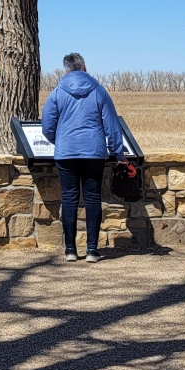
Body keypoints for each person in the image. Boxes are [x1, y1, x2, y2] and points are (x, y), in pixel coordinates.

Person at [40, 52, 124, 263]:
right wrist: (119, 153)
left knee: (69, 198)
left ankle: (70, 250)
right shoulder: (99, 91)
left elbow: (47, 126)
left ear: (66, 70)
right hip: (94, 153)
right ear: (85, 68)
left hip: (66, 153)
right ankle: (92, 250)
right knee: (93, 198)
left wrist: (59, 140)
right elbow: (112, 125)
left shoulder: (57, 92)